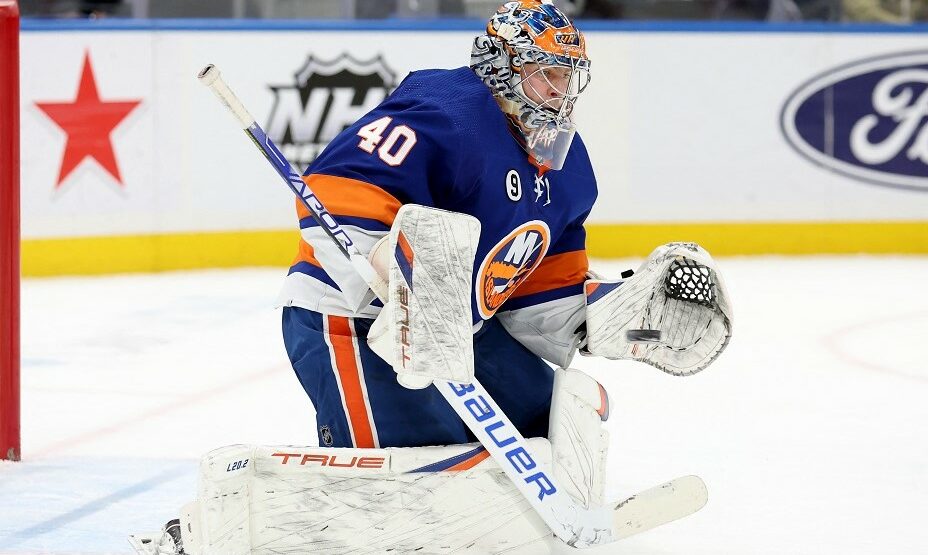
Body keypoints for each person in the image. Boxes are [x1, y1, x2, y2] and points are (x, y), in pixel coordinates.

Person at [277, 0, 595, 450]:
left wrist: (620, 323)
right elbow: (337, 188)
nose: (559, 91)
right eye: (547, 74)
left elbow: (541, 296)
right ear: (501, 65)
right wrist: (395, 265)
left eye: (567, 76)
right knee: (422, 458)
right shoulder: (446, 110)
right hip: (354, 316)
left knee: (553, 423)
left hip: (459, 330)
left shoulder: (567, 165)